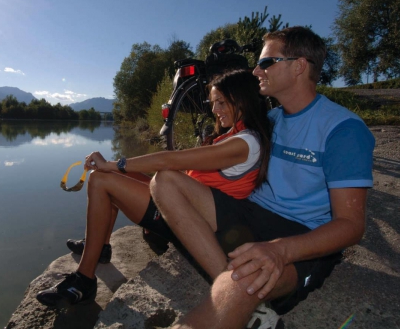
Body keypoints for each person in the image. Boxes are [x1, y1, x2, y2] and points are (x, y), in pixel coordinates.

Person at [151, 26, 375, 329]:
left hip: (302, 238)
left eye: (267, 62)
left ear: (299, 66)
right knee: (164, 181)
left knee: (237, 287)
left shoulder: (343, 130)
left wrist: (279, 250)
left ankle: (240, 292)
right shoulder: (270, 120)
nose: (256, 70)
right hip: (252, 214)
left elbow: (350, 226)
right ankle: (233, 282)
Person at [35, 69, 273, 308]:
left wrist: (113, 163)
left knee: (101, 178)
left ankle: (84, 280)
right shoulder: (238, 135)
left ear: (241, 98)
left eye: (221, 102)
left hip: (190, 219)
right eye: (213, 103)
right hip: (187, 205)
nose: (214, 110)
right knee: (112, 172)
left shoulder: (245, 143)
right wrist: (116, 166)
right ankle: (100, 246)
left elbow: (170, 161)